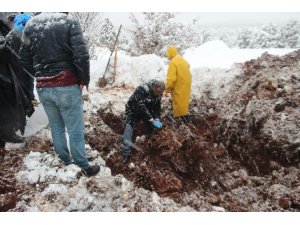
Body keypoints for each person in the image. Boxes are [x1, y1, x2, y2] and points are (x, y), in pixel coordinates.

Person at [19, 12, 100, 176]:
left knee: (56, 127)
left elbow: (24, 59)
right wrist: (83, 79)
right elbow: (81, 55)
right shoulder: (69, 22)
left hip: (43, 87)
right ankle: (82, 165)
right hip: (67, 84)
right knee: (75, 129)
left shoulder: (31, 25)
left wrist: (41, 77)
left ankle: (64, 160)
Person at [0, 16, 33, 147]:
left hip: (6, 75)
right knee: (6, 105)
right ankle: (7, 135)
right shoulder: (8, 34)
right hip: (3, 77)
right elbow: (5, 52)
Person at [123, 79, 165, 163]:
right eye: (156, 92)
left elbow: (157, 107)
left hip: (147, 109)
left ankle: (150, 147)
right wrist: (151, 119)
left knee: (151, 128)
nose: (158, 95)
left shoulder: (159, 93)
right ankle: (126, 153)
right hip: (133, 109)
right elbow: (141, 106)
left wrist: (157, 118)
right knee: (129, 126)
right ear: (153, 88)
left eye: (159, 93)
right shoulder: (142, 89)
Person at [165, 45, 192, 123]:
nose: (168, 57)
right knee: (184, 103)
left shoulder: (173, 62)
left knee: (179, 105)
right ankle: (186, 120)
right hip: (186, 84)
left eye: (168, 55)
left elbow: (171, 78)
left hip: (179, 85)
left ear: (170, 53)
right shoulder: (182, 60)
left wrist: (167, 90)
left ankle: (185, 122)